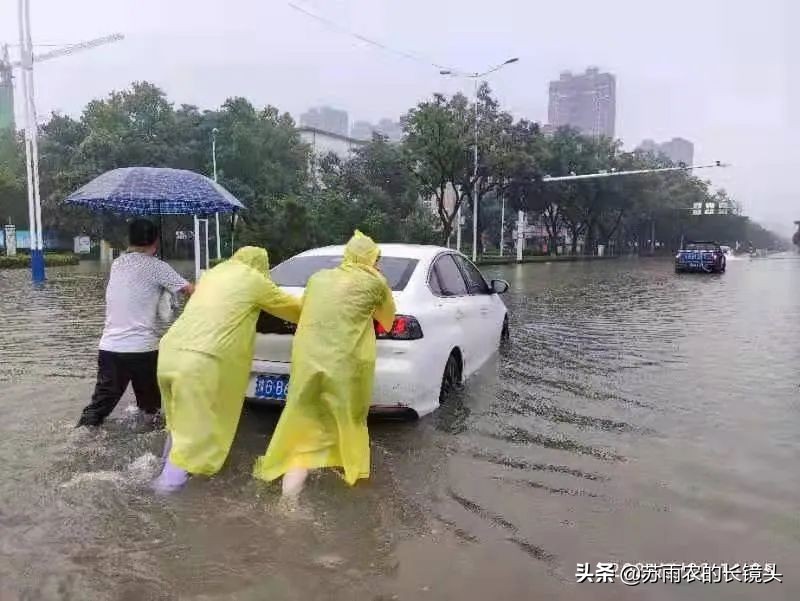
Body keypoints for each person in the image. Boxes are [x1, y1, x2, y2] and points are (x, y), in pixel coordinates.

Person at [253, 230, 396, 496]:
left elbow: (305, 310)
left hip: (307, 364)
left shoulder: (318, 278)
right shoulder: (376, 282)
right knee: (348, 424)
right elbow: (388, 320)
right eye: (376, 260)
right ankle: (352, 486)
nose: (377, 265)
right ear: (370, 259)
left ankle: (288, 503)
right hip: (345, 368)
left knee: (302, 430)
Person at [154, 246, 302, 491]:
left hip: (169, 354)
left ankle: (162, 469)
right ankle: (163, 494)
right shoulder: (255, 281)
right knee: (193, 440)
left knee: (179, 424)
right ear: (261, 266)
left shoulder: (214, 273)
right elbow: (294, 309)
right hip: (200, 361)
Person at [77, 219, 194, 428]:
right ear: (156, 241)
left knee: (98, 409)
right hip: (142, 350)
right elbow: (191, 291)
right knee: (151, 413)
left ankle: (80, 436)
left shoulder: (117, 264)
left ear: (129, 239)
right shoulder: (159, 267)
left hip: (109, 349)